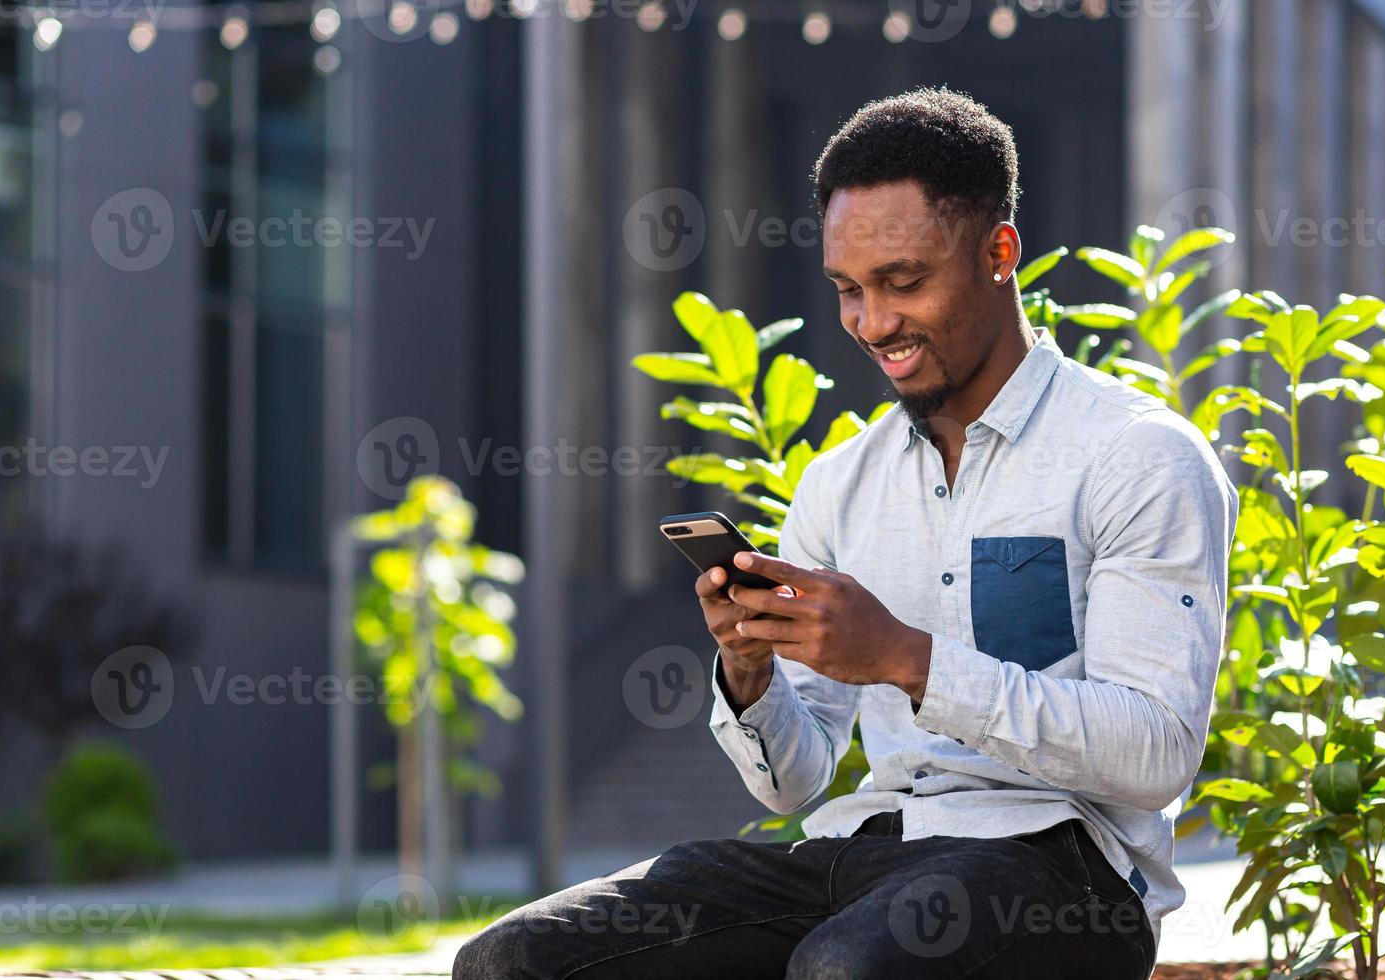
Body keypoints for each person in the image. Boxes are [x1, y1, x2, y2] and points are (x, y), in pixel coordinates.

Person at [454, 85, 1239, 980]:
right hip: (858, 850)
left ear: (998, 252)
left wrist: (905, 657)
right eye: (849, 290)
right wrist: (749, 673)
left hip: (1064, 868)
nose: (873, 323)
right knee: (514, 960)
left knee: (846, 970)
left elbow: (1155, 755)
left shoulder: (1137, 457)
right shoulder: (841, 484)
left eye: (904, 283)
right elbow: (793, 782)